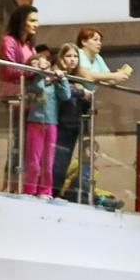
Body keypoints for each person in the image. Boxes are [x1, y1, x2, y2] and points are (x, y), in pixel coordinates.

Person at [22, 46, 70, 199]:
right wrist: (40, 74)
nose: (38, 64)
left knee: (48, 162)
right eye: (34, 63)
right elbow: (39, 88)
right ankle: (30, 189)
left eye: (40, 61)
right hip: (35, 122)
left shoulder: (55, 82)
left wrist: (62, 79)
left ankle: (45, 190)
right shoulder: (33, 82)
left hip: (51, 123)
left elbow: (66, 95)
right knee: (34, 161)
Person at [49, 44, 91, 200]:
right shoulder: (57, 74)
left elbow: (84, 105)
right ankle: (51, 192)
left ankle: (56, 193)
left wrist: (86, 98)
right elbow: (64, 93)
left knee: (64, 164)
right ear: (61, 58)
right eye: (69, 56)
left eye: (75, 56)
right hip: (60, 124)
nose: (73, 59)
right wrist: (81, 92)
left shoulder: (78, 79)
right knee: (56, 164)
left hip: (73, 126)